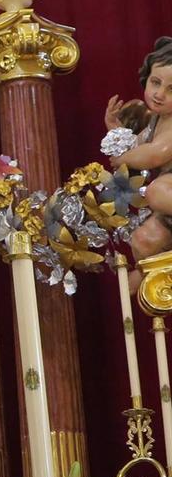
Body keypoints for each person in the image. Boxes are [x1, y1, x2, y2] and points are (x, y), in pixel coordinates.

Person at [104, 37, 172, 289]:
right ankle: (147, 279)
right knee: (142, 240)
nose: (160, 94)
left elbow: (155, 154)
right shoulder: (155, 121)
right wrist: (116, 131)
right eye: (156, 82)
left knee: (157, 191)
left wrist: (122, 158)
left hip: (167, 190)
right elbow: (137, 146)